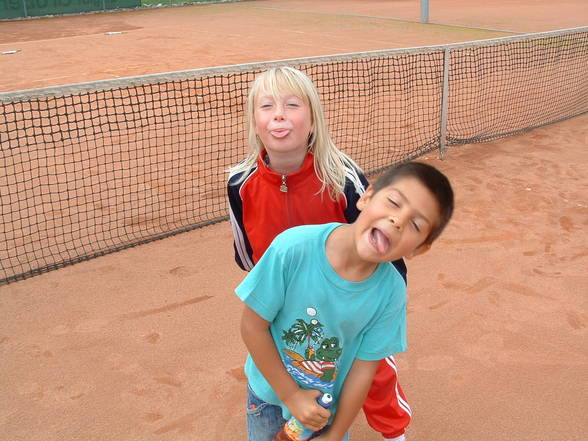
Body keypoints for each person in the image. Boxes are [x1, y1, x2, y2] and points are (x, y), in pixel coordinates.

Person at [228, 66, 412, 441]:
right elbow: (249, 258)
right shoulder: (239, 184)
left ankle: (394, 432)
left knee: (374, 369)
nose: (278, 114)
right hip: (287, 298)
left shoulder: (343, 178)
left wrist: (375, 304)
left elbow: (380, 246)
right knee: (293, 367)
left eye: (292, 104)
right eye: (266, 106)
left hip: (349, 294)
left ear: (312, 121)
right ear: (255, 122)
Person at [236, 161, 455, 441]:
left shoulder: (391, 292)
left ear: (419, 249)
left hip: (325, 414)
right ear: (366, 196)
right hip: (270, 399)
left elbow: (364, 370)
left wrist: (337, 432)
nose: (397, 220)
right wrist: (291, 396)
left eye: (415, 224)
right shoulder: (291, 248)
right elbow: (252, 326)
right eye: (393, 202)